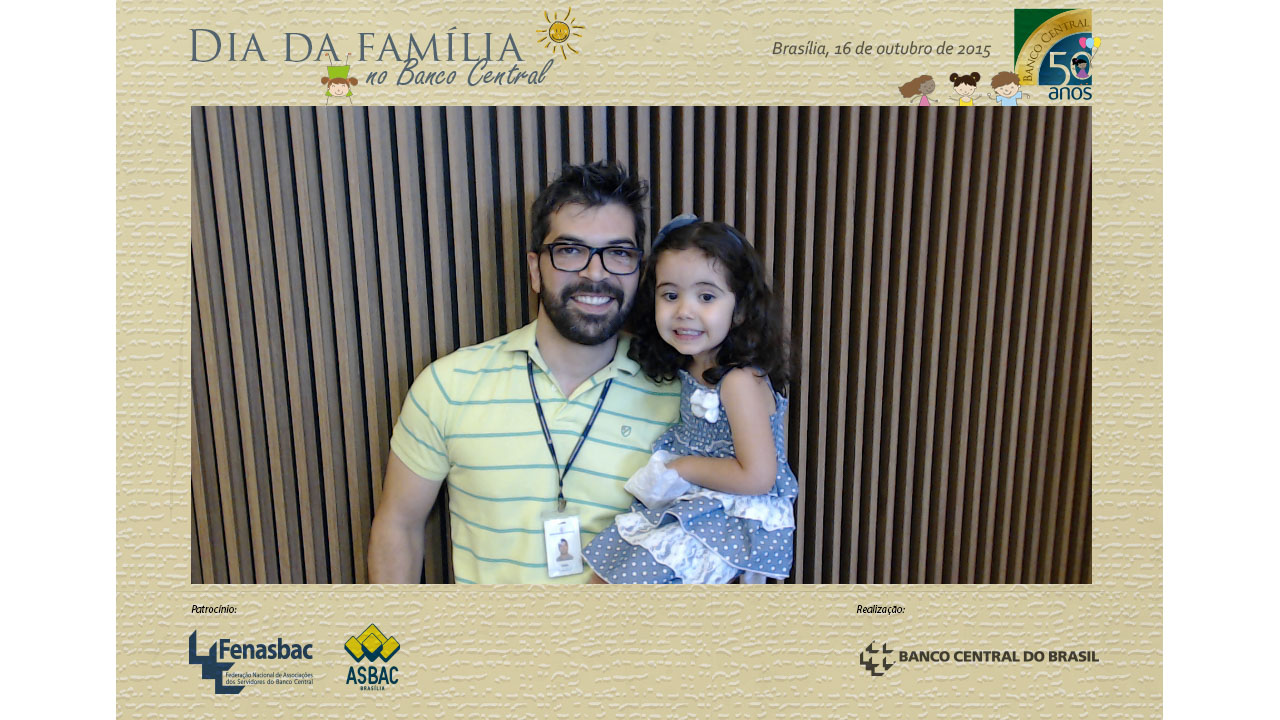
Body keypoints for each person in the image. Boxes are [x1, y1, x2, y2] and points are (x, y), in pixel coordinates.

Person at [367, 161, 681, 584]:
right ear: (535, 270)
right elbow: (399, 526)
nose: (596, 272)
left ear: (639, 273)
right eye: (570, 250)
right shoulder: (449, 386)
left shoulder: (683, 399)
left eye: (619, 254)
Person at [581, 216, 798, 584]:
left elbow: (759, 477)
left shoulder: (739, 382)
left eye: (706, 297)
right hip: (695, 504)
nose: (684, 310)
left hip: (733, 517)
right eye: (670, 295)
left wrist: (681, 468)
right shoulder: (691, 367)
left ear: (741, 309)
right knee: (605, 575)